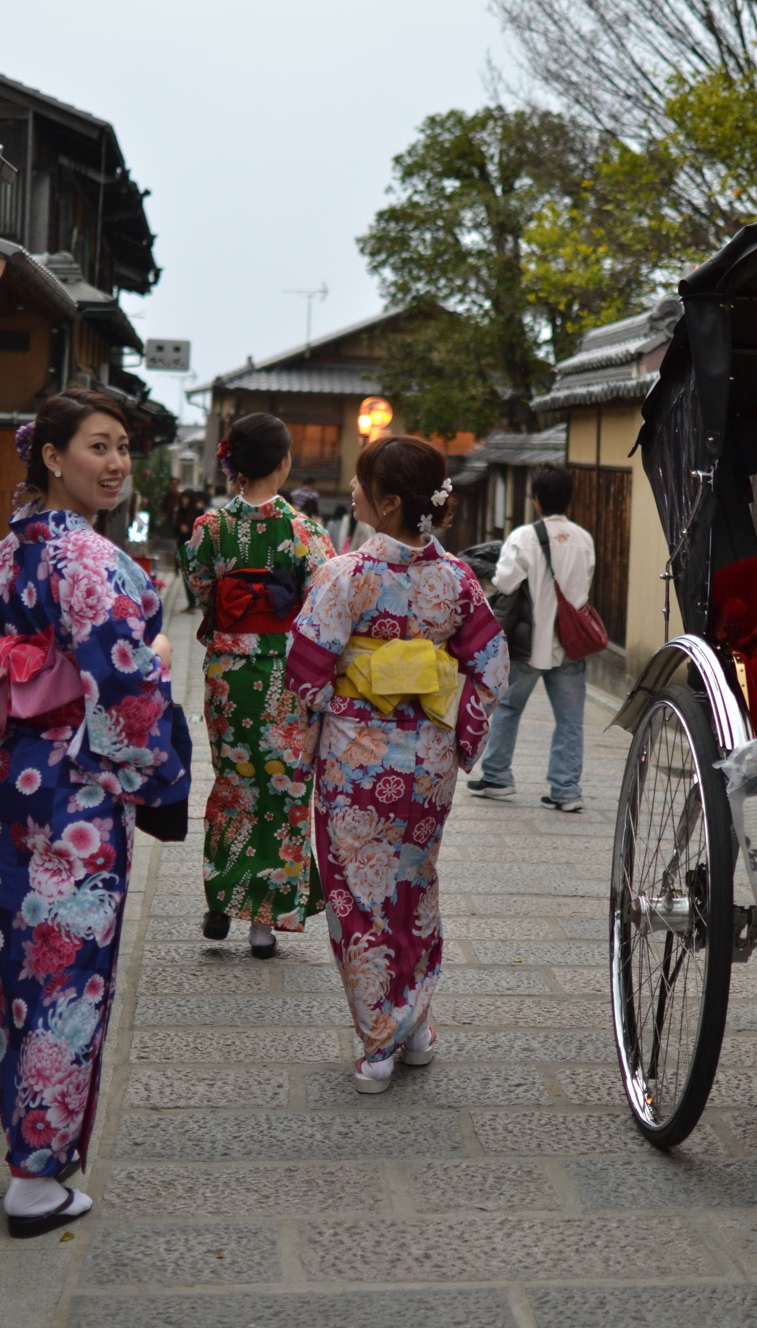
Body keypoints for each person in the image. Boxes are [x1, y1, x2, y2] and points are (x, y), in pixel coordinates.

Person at [0, 388, 190, 1237]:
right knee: (68, 972)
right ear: (52, 456)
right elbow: (125, 688)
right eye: (98, 446)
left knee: (24, 960)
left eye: (124, 446)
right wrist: (158, 669)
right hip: (76, 787)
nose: (117, 462)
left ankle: (31, 1151)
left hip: (17, 776)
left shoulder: (11, 550)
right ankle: (36, 1177)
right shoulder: (86, 560)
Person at [285, 436, 508, 1092]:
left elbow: (305, 677)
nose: (350, 493)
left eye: (359, 485)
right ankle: (418, 1023)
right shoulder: (459, 579)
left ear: (386, 504)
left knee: (358, 895)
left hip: (358, 759)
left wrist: (308, 745)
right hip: (428, 762)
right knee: (414, 884)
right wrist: (462, 733)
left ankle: (379, 1038)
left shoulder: (344, 575)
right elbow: (490, 665)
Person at [179, 414, 335, 957]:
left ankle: (222, 900)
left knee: (233, 784)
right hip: (286, 673)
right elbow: (322, 611)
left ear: (233, 464)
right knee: (287, 792)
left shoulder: (209, 529)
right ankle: (264, 925)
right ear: (284, 462)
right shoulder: (307, 532)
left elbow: (200, 588)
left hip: (230, 673)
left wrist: (226, 632)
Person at [468, 464, 595, 811]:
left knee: (508, 708)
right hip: (569, 645)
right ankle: (566, 790)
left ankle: (497, 777)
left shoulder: (523, 537)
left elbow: (506, 582)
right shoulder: (584, 539)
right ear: (569, 498)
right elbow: (582, 588)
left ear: (536, 500)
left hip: (529, 644)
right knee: (570, 722)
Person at [173, 489, 199, 611]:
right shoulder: (180, 512)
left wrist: (189, 530)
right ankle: (192, 603)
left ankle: (195, 602)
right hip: (182, 547)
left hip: (196, 548)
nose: (184, 500)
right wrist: (179, 527)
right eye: (183, 498)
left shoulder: (197, 512)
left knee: (195, 576)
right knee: (186, 576)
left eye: (187, 498)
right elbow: (174, 531)